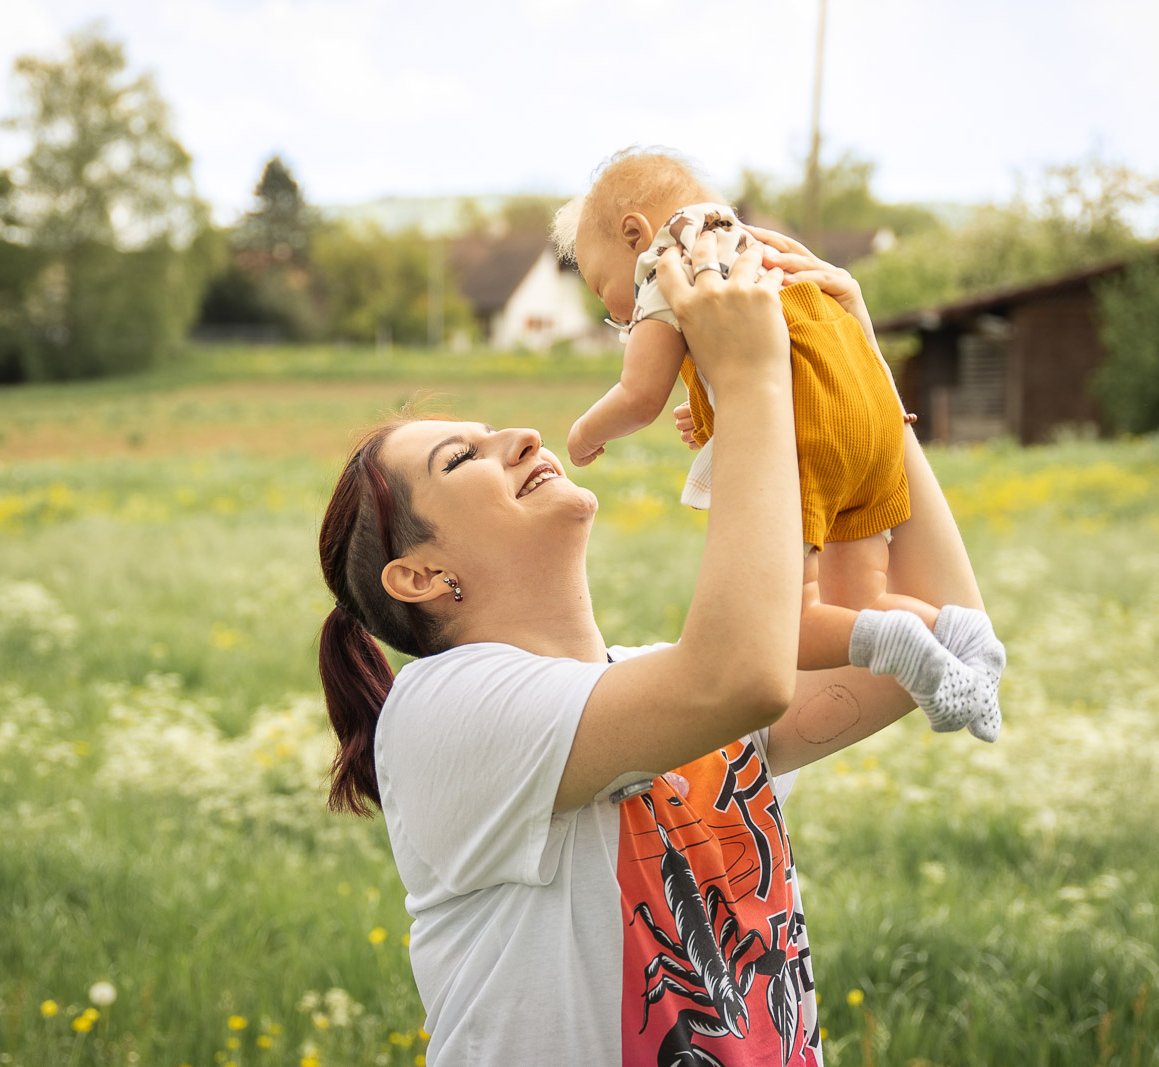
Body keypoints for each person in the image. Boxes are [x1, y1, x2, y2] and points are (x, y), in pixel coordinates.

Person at [317, 225, 990, 1065]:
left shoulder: (649, 694)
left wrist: (857, 373)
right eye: (463, 457)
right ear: (418, 575)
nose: (520, 437)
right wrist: (748, 379)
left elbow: (951, 630)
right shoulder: (443, 710)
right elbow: (738, 680)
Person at [554, 149, 1003, 740]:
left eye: (598, 285)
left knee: (788, 625)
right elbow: (782, 361)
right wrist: (715, 407)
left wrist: (583, 434)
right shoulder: (757, 251)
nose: (613, 312)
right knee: (859, 598)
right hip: (869, 416)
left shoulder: (667, 260)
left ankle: (904, 647)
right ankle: (966, 642)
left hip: (812, 442)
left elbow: (639, 395)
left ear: (632, 233)